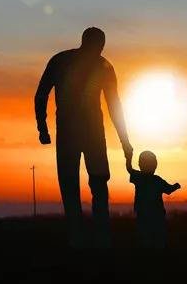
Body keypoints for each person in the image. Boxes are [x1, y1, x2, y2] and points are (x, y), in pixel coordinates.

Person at [34, 27, 133, 247]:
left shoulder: (93, 65)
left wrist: (125, 141)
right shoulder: (89, 64)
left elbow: (114, 106)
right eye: (99, 46)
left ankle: (95, 238)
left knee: (91, 185)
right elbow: (41, 94)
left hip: (86, 133)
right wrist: (42, 127)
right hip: (79, 133)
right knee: (75, 186)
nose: (99, 51)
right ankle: (85, 238)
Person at [126, 150, 181, 248]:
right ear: (154, 165)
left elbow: (129, 169)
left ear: (140, 164)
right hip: (156, 215)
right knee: (157, 239)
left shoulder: (139, 177)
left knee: (145, 239)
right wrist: (176, 186)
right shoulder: (157, 180)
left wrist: (128, 156)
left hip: (143, 214)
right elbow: (169, 189)